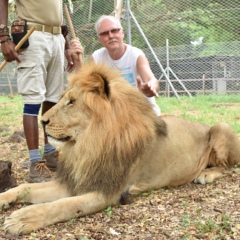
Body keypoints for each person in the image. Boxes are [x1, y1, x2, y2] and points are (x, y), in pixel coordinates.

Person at [0, 0, 79, 183]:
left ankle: (50, 153)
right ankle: (35, 162)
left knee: (53, 100)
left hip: (57, 37)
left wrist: (66, 45)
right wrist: (3, 38)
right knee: (33, 100)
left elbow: (57, 14)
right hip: (33, 35)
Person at [71, 15, 161, 116]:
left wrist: (151, 87)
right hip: (115, 115)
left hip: (142, 112)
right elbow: (81, 88)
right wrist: (78, 61)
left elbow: (151, 80)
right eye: (105, 33)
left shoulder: (136, 55)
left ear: (122, 33)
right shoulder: (97, 57)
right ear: (99, 39)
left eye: (114, 31)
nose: (111, 36)